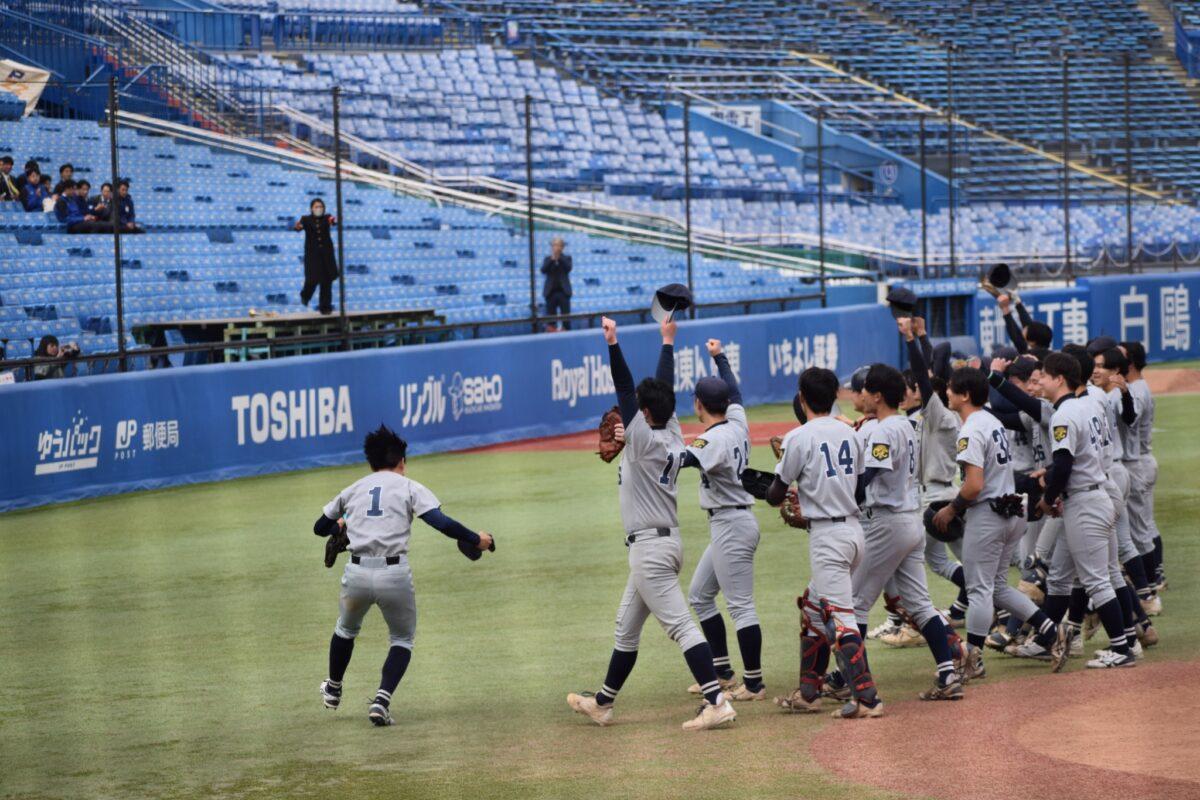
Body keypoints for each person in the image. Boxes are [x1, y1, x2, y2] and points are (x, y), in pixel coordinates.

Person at [567, 315, 738, 731]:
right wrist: (667, 340)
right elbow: (661, 390)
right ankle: (603, 703)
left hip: (650, 551)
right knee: (626, 629)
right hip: (664, 544)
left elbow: (626, 389)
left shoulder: (642, 438)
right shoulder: (673, 433)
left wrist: (613, 343)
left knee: (681, 627)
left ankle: (716, 701)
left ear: (643, 414)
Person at [313, 425, 494, 726]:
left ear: (371, 462)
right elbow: (441, 523)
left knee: (345, 630)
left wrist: (341, 525)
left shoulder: (354, 488)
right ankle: (381, 701)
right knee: (401, 639)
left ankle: (333, 689)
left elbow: (320, 528)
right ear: (402, 461)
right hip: (393, 575)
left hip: (356, 573)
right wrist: (477, 539)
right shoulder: (409, 487)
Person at [932, 367, 1067, 680]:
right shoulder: (991, 421)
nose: (947, 393)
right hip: (1011, 511)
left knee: (979, 589)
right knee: (996, 588)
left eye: (951, 388)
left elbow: (973, 486)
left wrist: (951, 509)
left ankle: (973, 660)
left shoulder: (971, 430)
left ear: (965, 395)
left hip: (988, 515)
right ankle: (1051, 630)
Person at [765, 367, 882, 719]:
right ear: (834, 397)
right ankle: (808, 694)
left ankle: (867, 699)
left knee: (840, 619)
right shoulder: (851, 433)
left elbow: (775, 495)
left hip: (829, 539)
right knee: (813, 609)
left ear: (802, 398)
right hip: (854, 532)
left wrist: (790, 486)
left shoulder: (798, 437)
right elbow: (858, 491)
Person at [851, 363, 964, 701]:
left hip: (888, 522)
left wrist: (836, 498)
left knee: (856, 603)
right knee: (920, 604)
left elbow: (868, 477)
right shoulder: (907, 424)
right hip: (911, 519)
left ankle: (853, 682)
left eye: (866, 390)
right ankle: (947, 674)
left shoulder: (884, 430)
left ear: (877, 396)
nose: (862, 395)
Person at [1034, 353, 1135, 669]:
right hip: (1099, 492)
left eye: (1044, 375)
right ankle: (1126, 641)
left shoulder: (1065, 414)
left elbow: (1064, 464)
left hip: (1085, 502)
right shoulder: (1087, 405)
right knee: (1098, 574)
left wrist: (1048, 498)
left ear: (1059, 378)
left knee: (1096, 580)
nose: (1040, 381)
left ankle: (1122, 648)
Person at [679, 338, 764, 702]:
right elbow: (737, 393)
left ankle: (755, 683)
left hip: (732, 524)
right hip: (731, 523)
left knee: (741, 605)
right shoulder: (737, 422)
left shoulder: (711, 440)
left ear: (698, 404)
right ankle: (722, 671)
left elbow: (680, 461)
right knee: (700, 596)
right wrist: (720, 358)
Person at [295, 198, 338, 315]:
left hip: (326, 255)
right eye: (316, 206)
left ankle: (325, 307)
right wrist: (298, 227)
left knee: (326, 281)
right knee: (312, 279)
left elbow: (332, 221)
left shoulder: (327, 217)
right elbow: (299, 227)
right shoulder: (306, 219)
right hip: (312, 255)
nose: (319, 209)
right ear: (311, 208)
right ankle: (305, 295)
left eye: (321, 206)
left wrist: (333, 221)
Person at [541, 237, 573, 331]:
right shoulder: (547, 259)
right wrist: (552, 259)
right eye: (554, 245)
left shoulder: (567, 258)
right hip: (550, 293)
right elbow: (543, 270)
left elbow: (568, 268)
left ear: (562, 247)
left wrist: (559, 257)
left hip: (564, 293)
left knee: (566, 319)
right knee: (551, 320)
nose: (556, 247)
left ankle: (566, 332)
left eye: (559, 245)